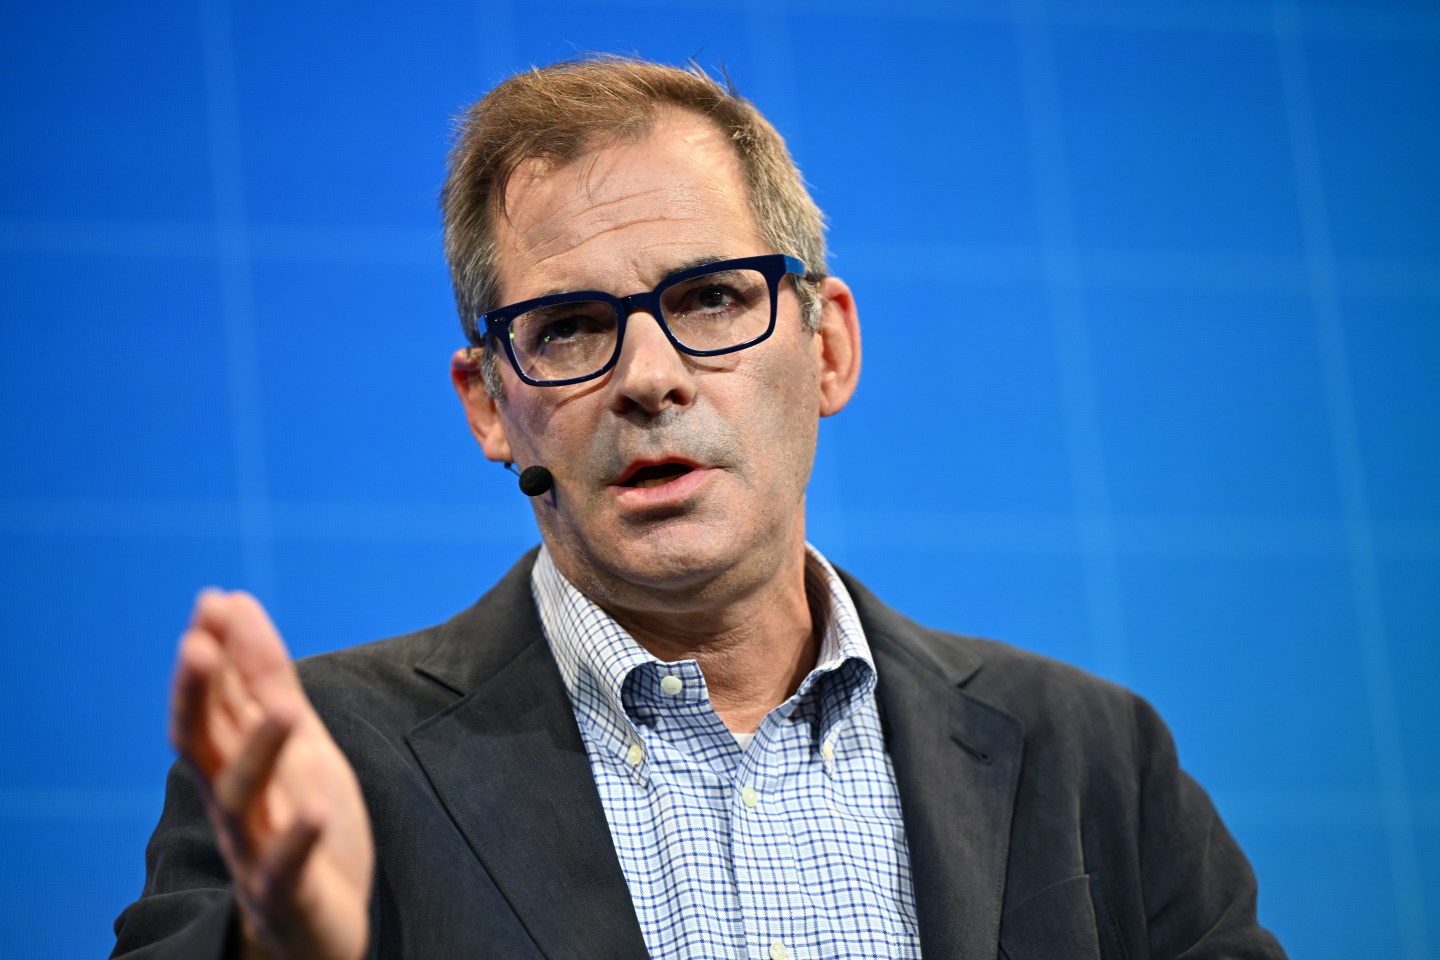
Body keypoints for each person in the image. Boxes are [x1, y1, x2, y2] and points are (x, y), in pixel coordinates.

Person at [111, 56, 1286, 960]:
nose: (648, 377)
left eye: (713, 299)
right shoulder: (318, 767)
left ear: (826, 347)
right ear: (490, 406)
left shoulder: (1097, 761)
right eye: (568, 327)